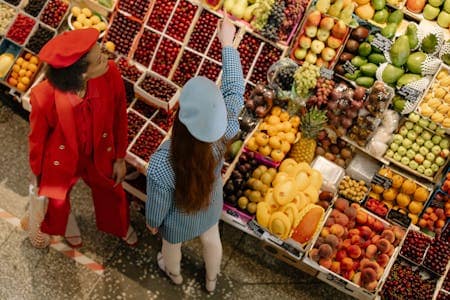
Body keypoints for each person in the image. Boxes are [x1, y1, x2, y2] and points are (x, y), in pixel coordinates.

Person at [145, 11, 244, 293]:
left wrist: (153, 224)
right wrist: (227, 44)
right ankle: (212, 281)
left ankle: (173, 274)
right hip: (210, 205)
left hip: (177, 220)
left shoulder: (162, 163)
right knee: (212, 240)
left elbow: (157, 204)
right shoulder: (225, 130)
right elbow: (235, 90)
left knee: (170, 248)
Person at [28, 28, 137, 248]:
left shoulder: (111, 74)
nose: (106, 58)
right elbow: (37, 140)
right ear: (80, 74)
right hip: (63, 158)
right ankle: (66, 222)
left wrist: (119, 157)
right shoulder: (43, 97)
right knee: (59, 198)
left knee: (111, 189)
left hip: (100, 149)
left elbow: (119, 115)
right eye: (98, 59)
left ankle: (119, 225)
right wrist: (39, 175)